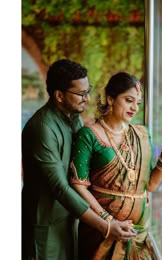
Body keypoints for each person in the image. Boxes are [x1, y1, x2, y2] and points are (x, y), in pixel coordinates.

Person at [21, 60, 136, 260]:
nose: (88, 98)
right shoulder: (42, 128)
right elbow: (60, 187)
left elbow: (82, 173)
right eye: (81, 93)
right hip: (45, 229)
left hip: (72, 222)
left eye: (88, 90)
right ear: (59, 95)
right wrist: (106, 227)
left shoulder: (74, 119)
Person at [70, 71, 162, 259]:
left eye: (138, 103)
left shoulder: (142, 135)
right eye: (129, 100)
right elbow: (78, 186)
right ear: (110, 99)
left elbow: (150, 185)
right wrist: (108, 222)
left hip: (138, 234)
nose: (135, 107)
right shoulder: (89, 135)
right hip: (100, 234)